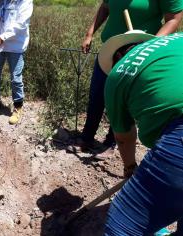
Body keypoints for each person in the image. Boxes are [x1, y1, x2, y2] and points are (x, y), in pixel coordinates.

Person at [98, 30, 183, 235]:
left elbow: (124, 137)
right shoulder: (177, 39)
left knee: (122, 226)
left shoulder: (120, 71)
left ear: (117, 57)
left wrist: (130, 169)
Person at [78, 0, 183, 157]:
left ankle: (111, 143)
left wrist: (150, 46)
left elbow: (174, 18)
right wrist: (89, 34)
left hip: (139, 54)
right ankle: (87, 137)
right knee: (97, 96)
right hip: (111, 49)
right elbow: (105, 7)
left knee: (123, 100)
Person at [0, 0, 33, 125]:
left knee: (15, 78)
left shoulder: (24, 1)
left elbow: (21, 24)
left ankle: (18, 106)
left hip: (16, 45)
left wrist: (2, 38)